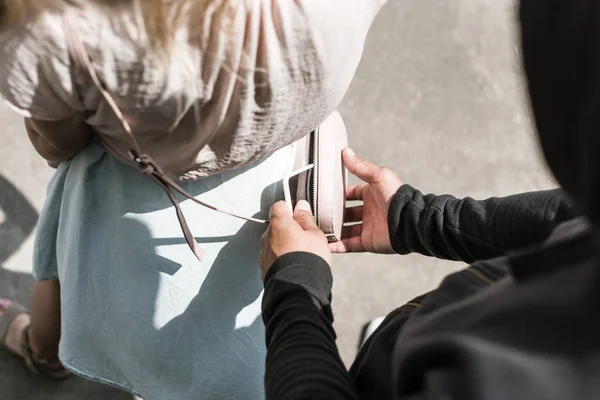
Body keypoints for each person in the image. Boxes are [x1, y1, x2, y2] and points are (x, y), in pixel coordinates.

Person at [0, 0, 386, 399]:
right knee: (232, 324)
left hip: (126, 193)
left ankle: (43, 353)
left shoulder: (59, 19)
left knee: (74, 271)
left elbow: (59, 143)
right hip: (277, 192)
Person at [258, 1, 600, 398]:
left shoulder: (520, 381)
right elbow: (569, 216)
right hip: (422, 339)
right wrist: (420, 218)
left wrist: (296, 293)